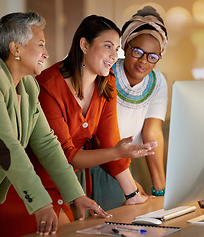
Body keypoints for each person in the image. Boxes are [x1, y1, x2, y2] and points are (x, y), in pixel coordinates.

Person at [0, 11, 110, 237]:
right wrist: (41, 204)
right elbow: (5, 145)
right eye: (40, 45)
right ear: (15, 48)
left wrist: (76, 195)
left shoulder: (28, 87)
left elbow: (47, 144)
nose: (46, 54)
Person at [33, 14, 157, 220]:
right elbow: (65, 157)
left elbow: (111, 142)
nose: (114, 56)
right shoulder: (48, 86)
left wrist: (133, 195)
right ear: (84, 45)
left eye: (116, 49)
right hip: (37, 187)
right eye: (108, 46)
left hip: (70, 187)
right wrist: (116, 151)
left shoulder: (107, 83)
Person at [112, 6, 168, 196]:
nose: (144, 61)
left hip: (127, 162)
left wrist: (161, 189)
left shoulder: (157, 81)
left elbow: (152, 133)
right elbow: (101, 135)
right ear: (126, 47)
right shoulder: (107, 74)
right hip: (100, 161)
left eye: (152, 57)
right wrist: (130, 183)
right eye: (137, 51)